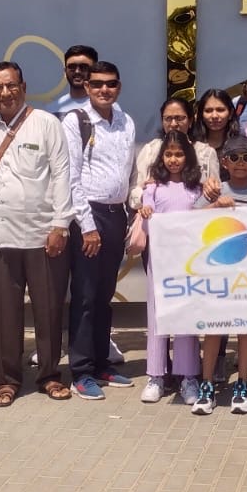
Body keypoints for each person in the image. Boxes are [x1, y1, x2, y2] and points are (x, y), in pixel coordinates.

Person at [0, 61, 76, 406]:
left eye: (11, 85)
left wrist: (60, 225)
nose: (5, 93)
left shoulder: (46, 124)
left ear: (23, 87)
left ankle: (49, 375)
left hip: (42, 236)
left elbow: (62, 175)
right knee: (4, 314)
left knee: (48, 311)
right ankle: (8, 380)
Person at [64, 60, 136, 401]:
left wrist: (130, 214)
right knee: (85, 296)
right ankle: (81, 371)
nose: (104, 89)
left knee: (105, 295)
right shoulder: (75, 120)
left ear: (118, 86)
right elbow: (71, 176)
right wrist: (87, 227)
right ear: (87, 87)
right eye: (97, 84)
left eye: (110, 83)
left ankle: (102, 364)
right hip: (88, 216)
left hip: (116, 215)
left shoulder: (126, 121)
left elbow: (128, 172)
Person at [193, 134, 247, 413]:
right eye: (235, 157)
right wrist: (215, 206)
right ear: (224, 162)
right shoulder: (214, 191)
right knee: (214, 328)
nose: (241, 163)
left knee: (245, 329)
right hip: (218, 274)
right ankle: (206, 384)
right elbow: (189, 222)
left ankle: (242, 383)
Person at [137, 133, 205, 404]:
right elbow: (147, 213)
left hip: (189, 262)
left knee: (186, 317)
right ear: (161, 158)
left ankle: (188, 377)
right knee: (157, 317)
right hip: (160, 260)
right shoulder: (153, 188)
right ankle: (156, 376)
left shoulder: (196, 189)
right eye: (169, 154)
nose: (174, 159)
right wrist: (145, 211)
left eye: (179, 154)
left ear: (188, 157)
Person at [129, 99, 220, 208]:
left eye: (179, 118)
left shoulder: (206, 152)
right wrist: (146, 196)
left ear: (190, 121)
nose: (173, 124)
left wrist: (211, 188)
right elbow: (133, 194)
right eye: (168, 119)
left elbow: (216, 194)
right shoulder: (150, 150)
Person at [51, 44, 98, 116]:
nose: (77, 71)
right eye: (72, 67)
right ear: (65, 71)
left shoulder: (109, 108)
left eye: (83, 67)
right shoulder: (53, 109)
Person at [192, 88, 239, 158]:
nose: (214, 116)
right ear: (201, 115)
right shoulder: (192, 146)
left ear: (230, 114)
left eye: (220, 110)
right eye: (208, 111)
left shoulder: (241, 145)